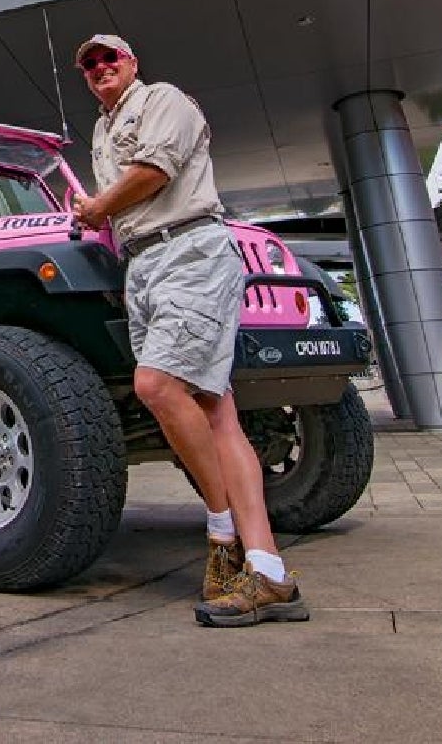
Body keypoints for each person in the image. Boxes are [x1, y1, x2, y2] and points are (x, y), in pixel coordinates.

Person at [67, 33, 308, 628]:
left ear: (133, 63)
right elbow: (123, 203)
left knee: (154, 385)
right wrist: (95, 218)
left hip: (189, 252)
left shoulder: (165, 100)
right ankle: (269, 570)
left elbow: (153, 172)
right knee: (217, 412)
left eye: (109, 58)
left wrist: (97, 208)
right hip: (143, 264)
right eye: (89, 64)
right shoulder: (101, 130)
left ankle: (222, 529)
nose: (100, 68)